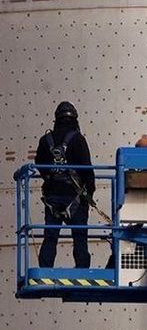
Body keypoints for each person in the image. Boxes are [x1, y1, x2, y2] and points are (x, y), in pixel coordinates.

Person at [35, 101, 95, 268]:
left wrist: (51, 178)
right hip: (75, 196)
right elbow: (87, 169)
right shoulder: (78, 139)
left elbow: (40, 164)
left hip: (52, 196)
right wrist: (89, 194)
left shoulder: (45, 140)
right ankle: (82, 270)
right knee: (80, 236)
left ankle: (46, 269)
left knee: (50, 236)